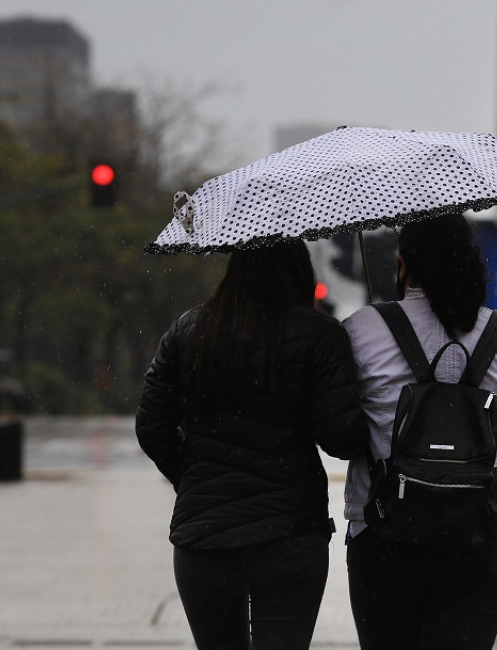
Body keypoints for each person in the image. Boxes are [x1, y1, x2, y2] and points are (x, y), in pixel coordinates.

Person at [342, 214, 497, 650]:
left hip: (384, 541)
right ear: (472, 264)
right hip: (482, 541)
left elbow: (337, 427)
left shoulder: (361, 332)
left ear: (402, 266)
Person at [136, 241, 367, 650]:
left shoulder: (189, 330)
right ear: (299, 272)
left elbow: (152, 426)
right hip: (291, 535)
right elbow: (341, 438)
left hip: (204, 537)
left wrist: (192, 478)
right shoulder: (319, 335)